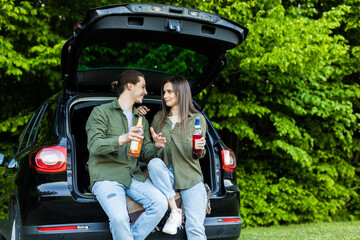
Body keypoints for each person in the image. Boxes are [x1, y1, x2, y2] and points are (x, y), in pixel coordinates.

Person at [85, 70, 168, 240]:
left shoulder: (141, 119)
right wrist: (123, 138)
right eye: (143, 87)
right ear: (130, 85)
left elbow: (145, 153)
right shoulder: (101, 112)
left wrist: (156, 146)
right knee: (119, 218)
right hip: (106, 176)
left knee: (160, 203)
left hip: (133, 176)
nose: (146, 92)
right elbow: (94, 146)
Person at [139, 76, 208, 239]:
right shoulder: (158, 118)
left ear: (181, 93)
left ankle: (176, 214)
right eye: (164, 92)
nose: (165, 96)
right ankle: (175, 212)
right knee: (155, 163)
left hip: (190, 177)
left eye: (169, 92)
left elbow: (199, 154)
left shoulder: (197, 119)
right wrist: (155, 145)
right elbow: (146, 155)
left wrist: (199, 149)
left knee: (195, 228)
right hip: (165, 177)